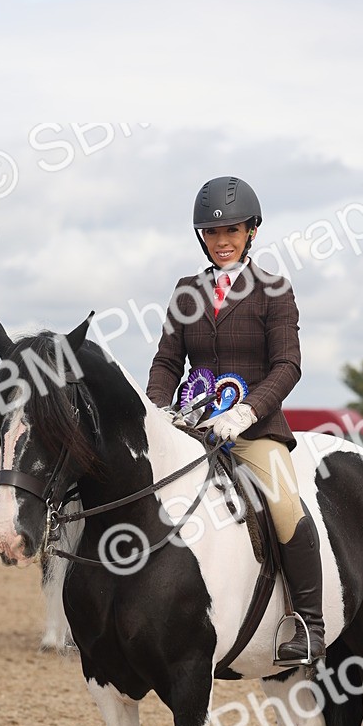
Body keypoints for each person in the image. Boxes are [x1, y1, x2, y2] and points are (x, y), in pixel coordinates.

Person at [145, 175, 324, 663]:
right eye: (212, 233)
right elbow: (167, 362)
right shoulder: (187, 292)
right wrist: (158, 409)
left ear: (252, 232)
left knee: (285, 506)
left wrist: (247, 411)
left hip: (255, 432)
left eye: (232, 231)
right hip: (193, 428)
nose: (222, 241)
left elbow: (288, 365)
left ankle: (309, 624)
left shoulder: (273, 290)